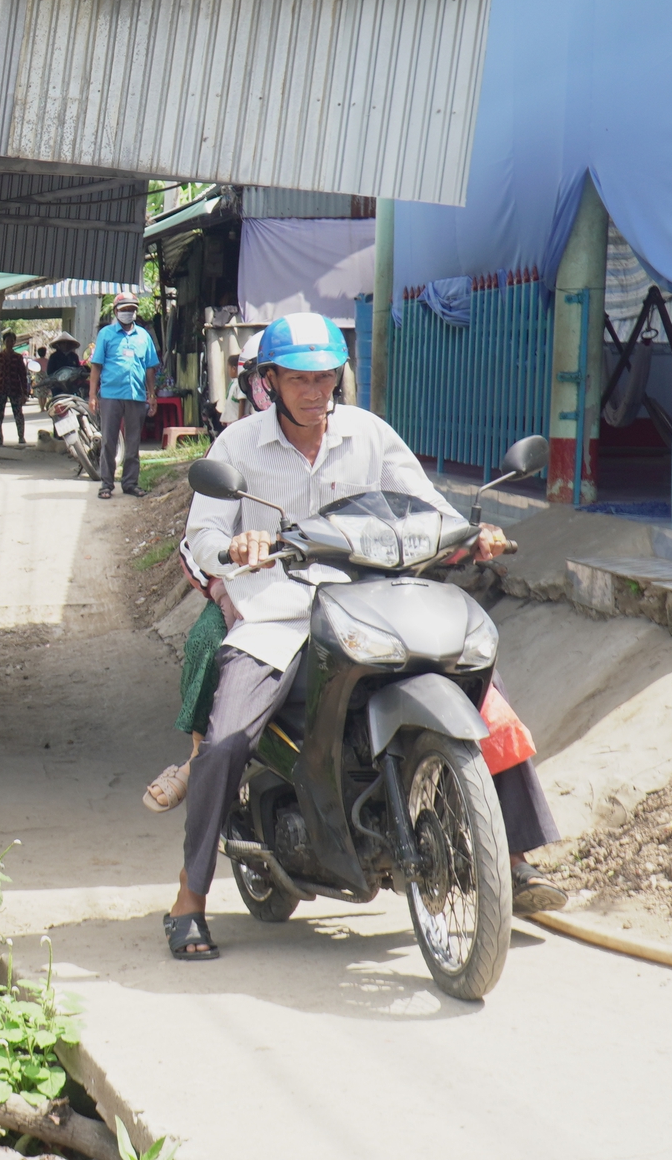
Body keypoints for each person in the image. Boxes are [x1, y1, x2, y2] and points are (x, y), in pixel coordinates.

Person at [164, 312, 509, 960]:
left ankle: (511, 855)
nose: (314, 391)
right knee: (225, 741)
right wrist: (236, 544)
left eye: (324, 376)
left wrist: (469, 532)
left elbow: (425, 504)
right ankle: (190, 898)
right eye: (298, 379)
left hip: (373, 603)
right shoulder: (237, 447)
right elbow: (202, 537)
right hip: (277, 613)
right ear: (269, 381)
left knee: (491, 703)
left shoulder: (368, 434)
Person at [89, 298, 160, 499]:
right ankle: (106, 484)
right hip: (111, 395)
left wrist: (152, 395)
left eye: (132, 309)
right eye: (124, 309)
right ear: (116, 311)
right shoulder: (106, 335)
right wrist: (92, 395)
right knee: (109, 441)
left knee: (133, 442)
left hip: (136, 396)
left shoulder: (143, 336)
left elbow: (150, 368)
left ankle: (130, 483)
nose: (128, 312)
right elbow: (96, 366)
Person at [0, 329, 33, 446]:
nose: (10, 343)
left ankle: (21, 437)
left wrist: (25, 393)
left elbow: (23, 375)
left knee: (18, 413)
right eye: (7, 341)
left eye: (12, 341)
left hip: (15, 388)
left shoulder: (18, 357)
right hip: (0, 388)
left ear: (14, 342)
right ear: (4, 342)